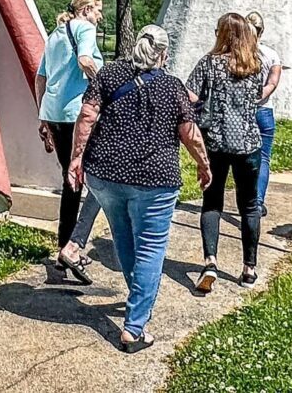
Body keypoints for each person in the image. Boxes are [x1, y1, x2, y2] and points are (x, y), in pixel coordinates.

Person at [68, 25, 210, 352]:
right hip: (154, 180)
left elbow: (87, 115)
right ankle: (134, 326)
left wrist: (76, 160)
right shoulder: (172, 86)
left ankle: (137, 300)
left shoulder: (109, 74)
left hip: (106, 174)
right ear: (162, 54)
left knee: (123, 237)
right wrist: (204, 164)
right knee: (150, 247)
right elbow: (189, 132)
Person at [185, 12, 268, 292]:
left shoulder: (209, 63)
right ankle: (249, 268)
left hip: (216, 143)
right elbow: (259, 95)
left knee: (211, 202)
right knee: (249, 205)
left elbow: (190, 96)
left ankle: (210, 262)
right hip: (248, 143)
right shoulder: (254, 64)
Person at [35, 0, 104, 281]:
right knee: (93, 176)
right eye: (98, 10)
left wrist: (42, 113)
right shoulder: (85, 28)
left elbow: (41, 76)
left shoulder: (54, 35)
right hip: (77, 111)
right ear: (86, 9)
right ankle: (72, 246)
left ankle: (65, 245)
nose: (100, 17)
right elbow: (85, 60)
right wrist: (104, 79)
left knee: (70, 177)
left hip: (53, 111)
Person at [244, 10, 283, 217]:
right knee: (263, 159)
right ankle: (257, 203)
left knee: (240, 160)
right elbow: (273, 83)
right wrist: (260, 95)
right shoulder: (272, 55)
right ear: (262, 30)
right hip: (264, 111)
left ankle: (245, 202)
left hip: (241, 112)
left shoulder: (237, 53)